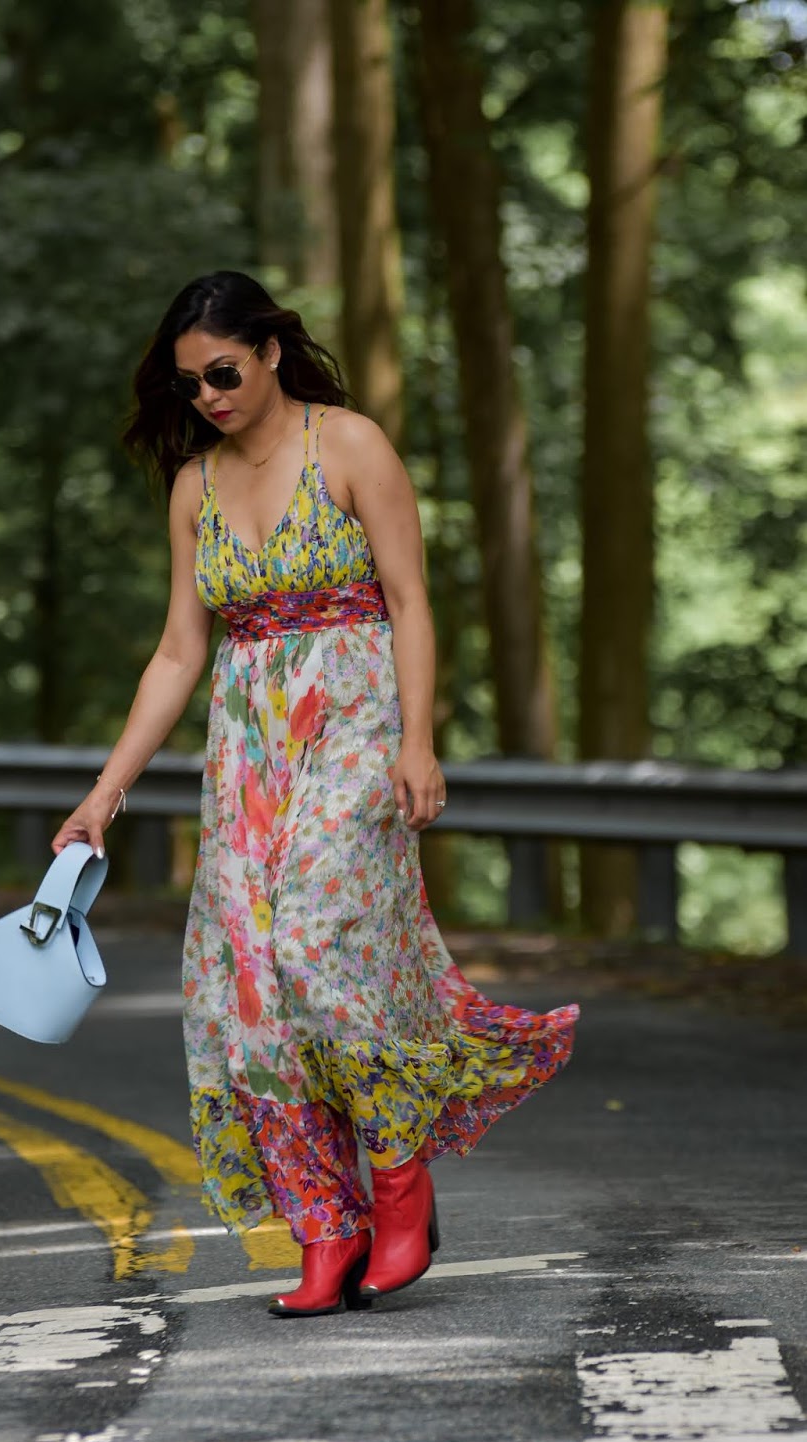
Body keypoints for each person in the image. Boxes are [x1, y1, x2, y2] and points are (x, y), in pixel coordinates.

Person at [52, 270, 578, 1318]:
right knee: (242, 989)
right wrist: (103, 794)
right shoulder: (195, 486)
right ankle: (322, 1226)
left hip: (355, 727)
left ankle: (397, 1182)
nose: (208, 395)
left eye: (223, 372)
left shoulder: (349, 446)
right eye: (188, 382)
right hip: (248, 754)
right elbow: (175, 651)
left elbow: (412, 601)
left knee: (317, 947)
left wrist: (418, 743)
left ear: (273, 352)